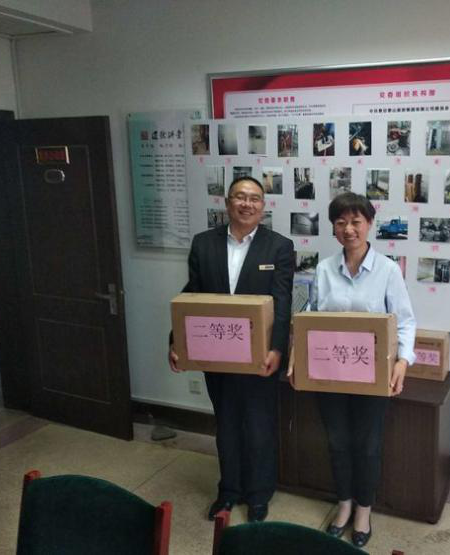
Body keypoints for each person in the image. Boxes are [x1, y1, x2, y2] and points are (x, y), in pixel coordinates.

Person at [289, 192, 416, 548]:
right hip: (330, 373)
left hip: (371, 376)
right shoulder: (324, 269)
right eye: (341, 222)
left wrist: (403, 362)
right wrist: (297, 355)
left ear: (369, 224)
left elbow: (405, 321)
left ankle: (363, 509)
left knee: (368, 444)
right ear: (333, 228)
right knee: (337, 442)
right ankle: (343, 503)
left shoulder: (388, 270)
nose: (349, 229)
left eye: (356, 221)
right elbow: (311, 315)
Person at [169, 176, 294, 523]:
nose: (247, 204)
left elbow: (282, 302)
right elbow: (192, 297)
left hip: (260, 357)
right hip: (217, 352)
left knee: (259, 425)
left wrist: (277, 349)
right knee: (226, 425)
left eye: (254, 198)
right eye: (240, 197)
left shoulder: (279, 247)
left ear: (263, 206)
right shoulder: (204, 243)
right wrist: (176, 341)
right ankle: (228, 491)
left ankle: (259, 494)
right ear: (227, 203)